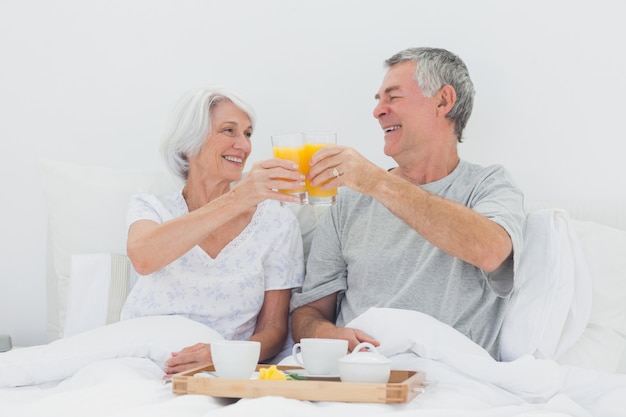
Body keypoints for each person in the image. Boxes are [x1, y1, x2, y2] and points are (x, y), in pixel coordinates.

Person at [290, 47, 525, 360]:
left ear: (443, 101)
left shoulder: (488, 185)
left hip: (448, 377)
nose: (378, 111)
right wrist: (326, 333)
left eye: (393, 97)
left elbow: (490, 250)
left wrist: (377, 183)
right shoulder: (347, 202)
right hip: (358, 372)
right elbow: (308, 314)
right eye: (378, 100)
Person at [120, 87, 305, 375]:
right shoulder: (152, 206)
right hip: (139, 360)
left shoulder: (276, 222)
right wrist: (238, 198)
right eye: (229, 131)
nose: (243, 146)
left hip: (223, 368)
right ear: (188, 143)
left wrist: (225, 355)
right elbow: (143, 257)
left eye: (248, 134)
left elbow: (274, 328)